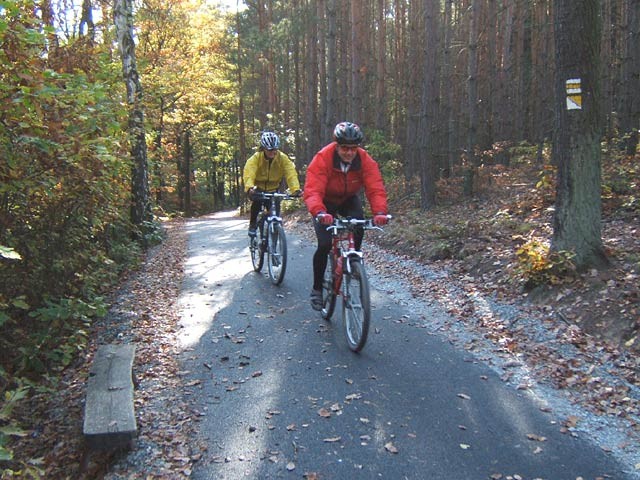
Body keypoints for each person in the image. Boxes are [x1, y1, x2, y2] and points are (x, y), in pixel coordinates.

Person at [303, 121, 389, 311]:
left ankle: (352, 262)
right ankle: (317, 289)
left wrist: (380, 212)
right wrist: (319, 211)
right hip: (325, 202)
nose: (349, 152)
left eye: (353, 148)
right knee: (324, 244)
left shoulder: (364, 159)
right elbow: (313, 189)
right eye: (344, 148)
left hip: (349, 199)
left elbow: (375, 187)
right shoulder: (323, 157)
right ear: (337, 145)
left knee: (358, 225)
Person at [243, 131, 301, 237]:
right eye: (270, 150)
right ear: (264, 148)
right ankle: (252, 225)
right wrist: (250, 187)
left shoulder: (282, 158)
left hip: (273, 189)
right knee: (256, 204)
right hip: (258, 188)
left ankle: (273, 243)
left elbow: (290, 173)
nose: (273, 152)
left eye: (275, 149)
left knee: (275, 213)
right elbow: (249, 173)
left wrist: (295, 189)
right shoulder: (256, 158)